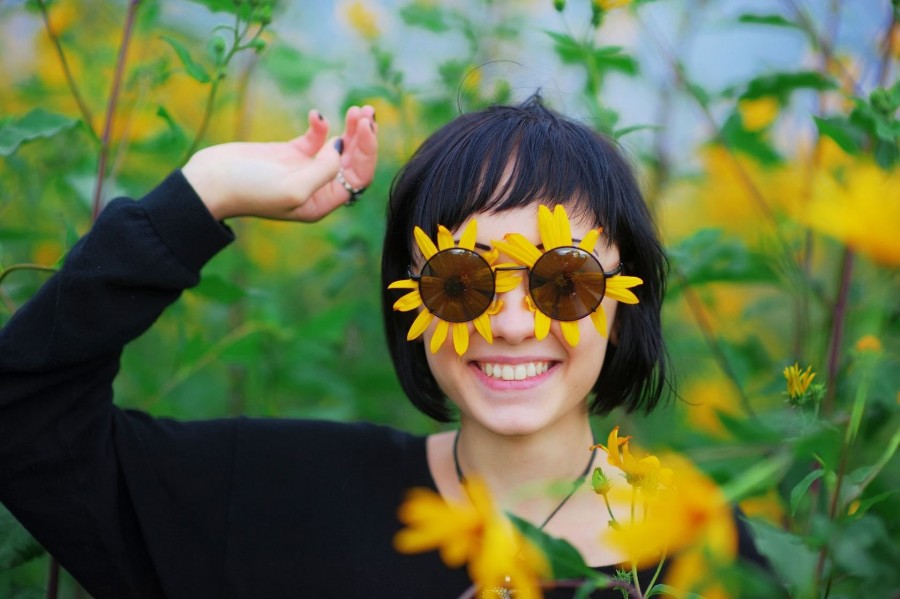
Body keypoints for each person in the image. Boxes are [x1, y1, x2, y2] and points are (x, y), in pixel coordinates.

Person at [0, 96, 764, 598]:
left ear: (624, 305)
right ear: (412, 305)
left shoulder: (704, 553)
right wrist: (207, 192)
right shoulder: (279, 501)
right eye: (462, 279)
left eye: (562, 280)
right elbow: (22, 421)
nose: (510, 324)